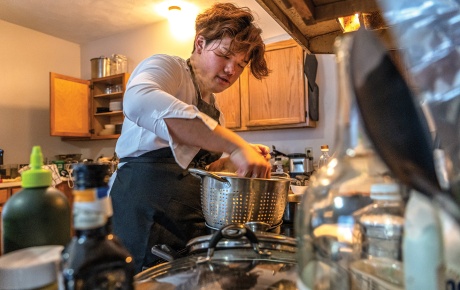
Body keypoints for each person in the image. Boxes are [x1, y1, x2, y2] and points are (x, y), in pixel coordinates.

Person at [109, 2, 272, 273]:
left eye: (241, 64)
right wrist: (235, 144)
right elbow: (138, 101)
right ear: (200, 43)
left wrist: (230, 161)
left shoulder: (216, 110)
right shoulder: (167, 67)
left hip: (185, 223)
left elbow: (195, 170)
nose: (232, 71)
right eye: (224, 55)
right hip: (142, 215)